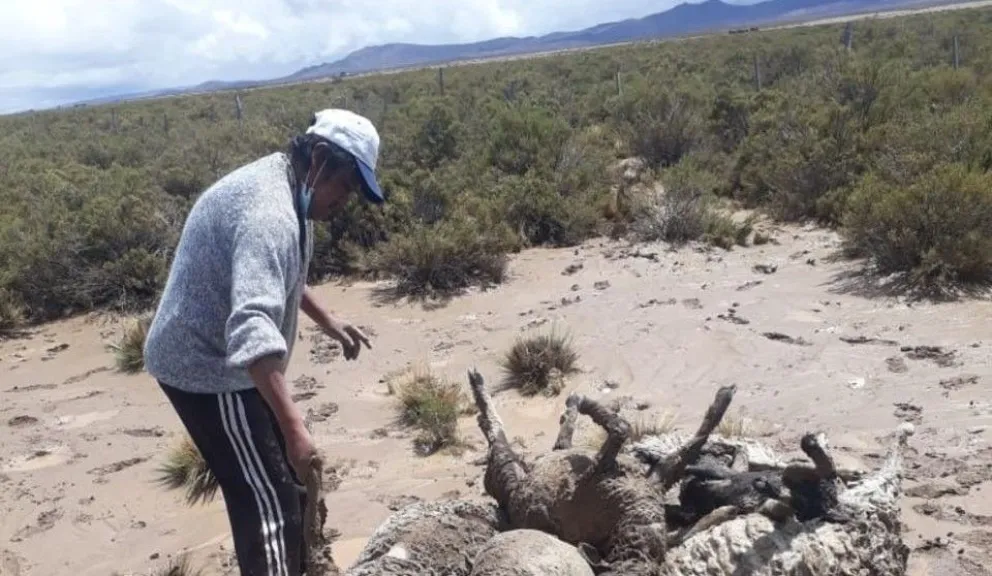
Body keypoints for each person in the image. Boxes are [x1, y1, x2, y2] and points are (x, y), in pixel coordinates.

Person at [143, 108, 384, 576]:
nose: (345, 201)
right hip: (207, 366)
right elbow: (251, 325)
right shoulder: (270, 213)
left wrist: (328, 321)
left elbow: (280, 276)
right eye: (347, 186)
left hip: (227, 357)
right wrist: (295, 430)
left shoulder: (293, 191)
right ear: (318, 159)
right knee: (268, 502)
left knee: (282, 485)